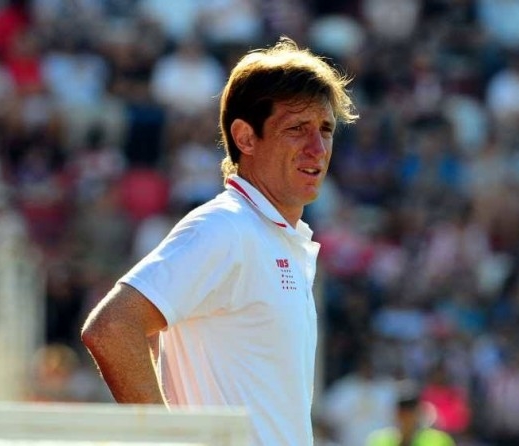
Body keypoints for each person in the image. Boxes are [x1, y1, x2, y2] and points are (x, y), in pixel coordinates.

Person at [80, 36, 358, 446]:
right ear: (245, 137)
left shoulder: (266, 234)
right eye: (297, 129)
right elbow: (113, 328)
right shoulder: (226, 227)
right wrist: (168, 442)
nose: (317, 148)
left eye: (326, 129)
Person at [366, 381, 456, 446]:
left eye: (410, 411)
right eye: (403, 411)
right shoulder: (380, 441)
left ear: (418, 411)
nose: (407, 416)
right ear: (397, 413)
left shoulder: (438, 441)